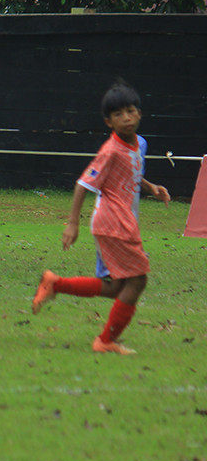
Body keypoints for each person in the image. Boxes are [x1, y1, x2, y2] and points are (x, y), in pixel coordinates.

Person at [32, 81, 170, 355]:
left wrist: (150, 187)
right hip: (114, 223)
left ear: (139, 113)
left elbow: (129, 173)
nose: (126, 118)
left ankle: (55, 283)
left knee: (116, 287)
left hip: (119, 222)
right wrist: (72, 224)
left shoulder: (136, 145)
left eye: (130, 111)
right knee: (138, 280)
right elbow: (83, 184)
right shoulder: (111, 150)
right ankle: (105, 341)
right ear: (109, 121)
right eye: (118, 114)